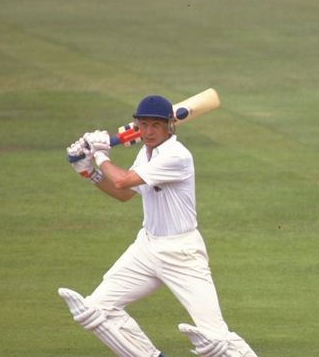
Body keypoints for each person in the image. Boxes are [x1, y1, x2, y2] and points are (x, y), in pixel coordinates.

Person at [59, 94, 257, 357]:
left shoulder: (177, 156)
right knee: (96, 310)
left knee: (215, 338)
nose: (149, 131)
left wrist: (100, 155)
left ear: (169, 126)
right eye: (144, 125)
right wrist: (88, 172)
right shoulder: (145, 152)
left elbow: (122, 181)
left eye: (156, 125)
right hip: (146, 247)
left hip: (181, 253)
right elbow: (125, 194)